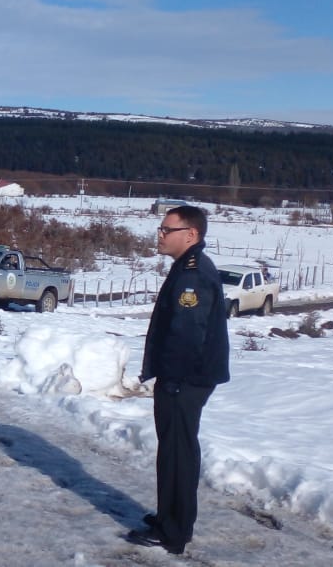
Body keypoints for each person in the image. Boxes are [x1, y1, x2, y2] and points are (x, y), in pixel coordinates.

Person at [127, 205, 230, 555]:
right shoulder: (187, 269)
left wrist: (172, 380)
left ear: (191, 235)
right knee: (173, 451)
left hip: (185, 379)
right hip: (183, 377)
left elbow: (188, 334)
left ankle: (174, 532)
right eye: (160, 228)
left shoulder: (192, 275)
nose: (160, 234)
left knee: (178, 453)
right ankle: (168, 517)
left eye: (167, 229)